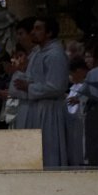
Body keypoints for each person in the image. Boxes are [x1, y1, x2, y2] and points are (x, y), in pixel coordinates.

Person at [21, 16, 69, 167]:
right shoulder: (38, 53)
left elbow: (57, 86)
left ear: (49, 33)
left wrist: (28, 87)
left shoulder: (55, 54)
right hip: (37, 108)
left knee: (49, 152)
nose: (33, 32)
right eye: (33, 29)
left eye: (38, 29)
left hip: (50, 110)